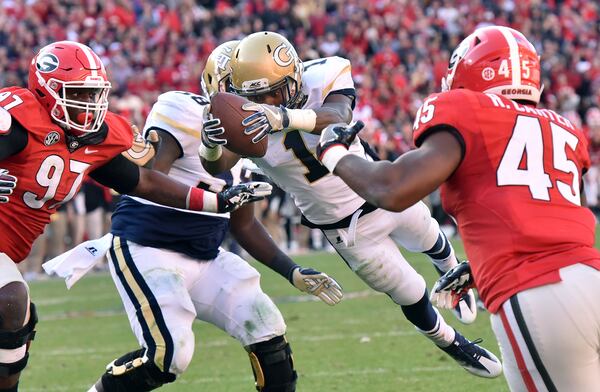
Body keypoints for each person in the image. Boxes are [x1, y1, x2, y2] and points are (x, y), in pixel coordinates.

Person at [201, 31, 502, 378]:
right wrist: (209, 146)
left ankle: (452, 272)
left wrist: (284, 118)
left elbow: (338, 114)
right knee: (409, 292)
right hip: (345, 228)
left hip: (378, 187)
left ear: (297, 73)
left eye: (277, 90)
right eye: (259, 96)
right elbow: (220, 165)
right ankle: (451, 342)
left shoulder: (323, 75)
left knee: (430, 236)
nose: (271, 100)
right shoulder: (246, 125)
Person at [317, 25, 600, 391]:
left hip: (537, 294)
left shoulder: (465, 107)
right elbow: (548, 219)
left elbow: (392, 190)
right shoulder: (564, 128)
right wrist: (481, 266)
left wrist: (333, 153)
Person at [0, 41, 268, 392]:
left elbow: (144, 181)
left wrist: (217, 202)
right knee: (12, 300)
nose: (89, 104)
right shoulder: (17, 118)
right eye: (79, 93)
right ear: (45, 90)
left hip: (9, 249)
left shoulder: (97, 136)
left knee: (14, 332)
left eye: (95, 93)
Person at [87, 68, 343, 392]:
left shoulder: (251, 136)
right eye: (247, 92)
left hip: (206, 255)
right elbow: (149, 179)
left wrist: (291, 271)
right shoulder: (181, 109)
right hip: (149, 247)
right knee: (169, 356)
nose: (256, 101)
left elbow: (244, 223)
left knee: (267, 326)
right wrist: (213, 195)